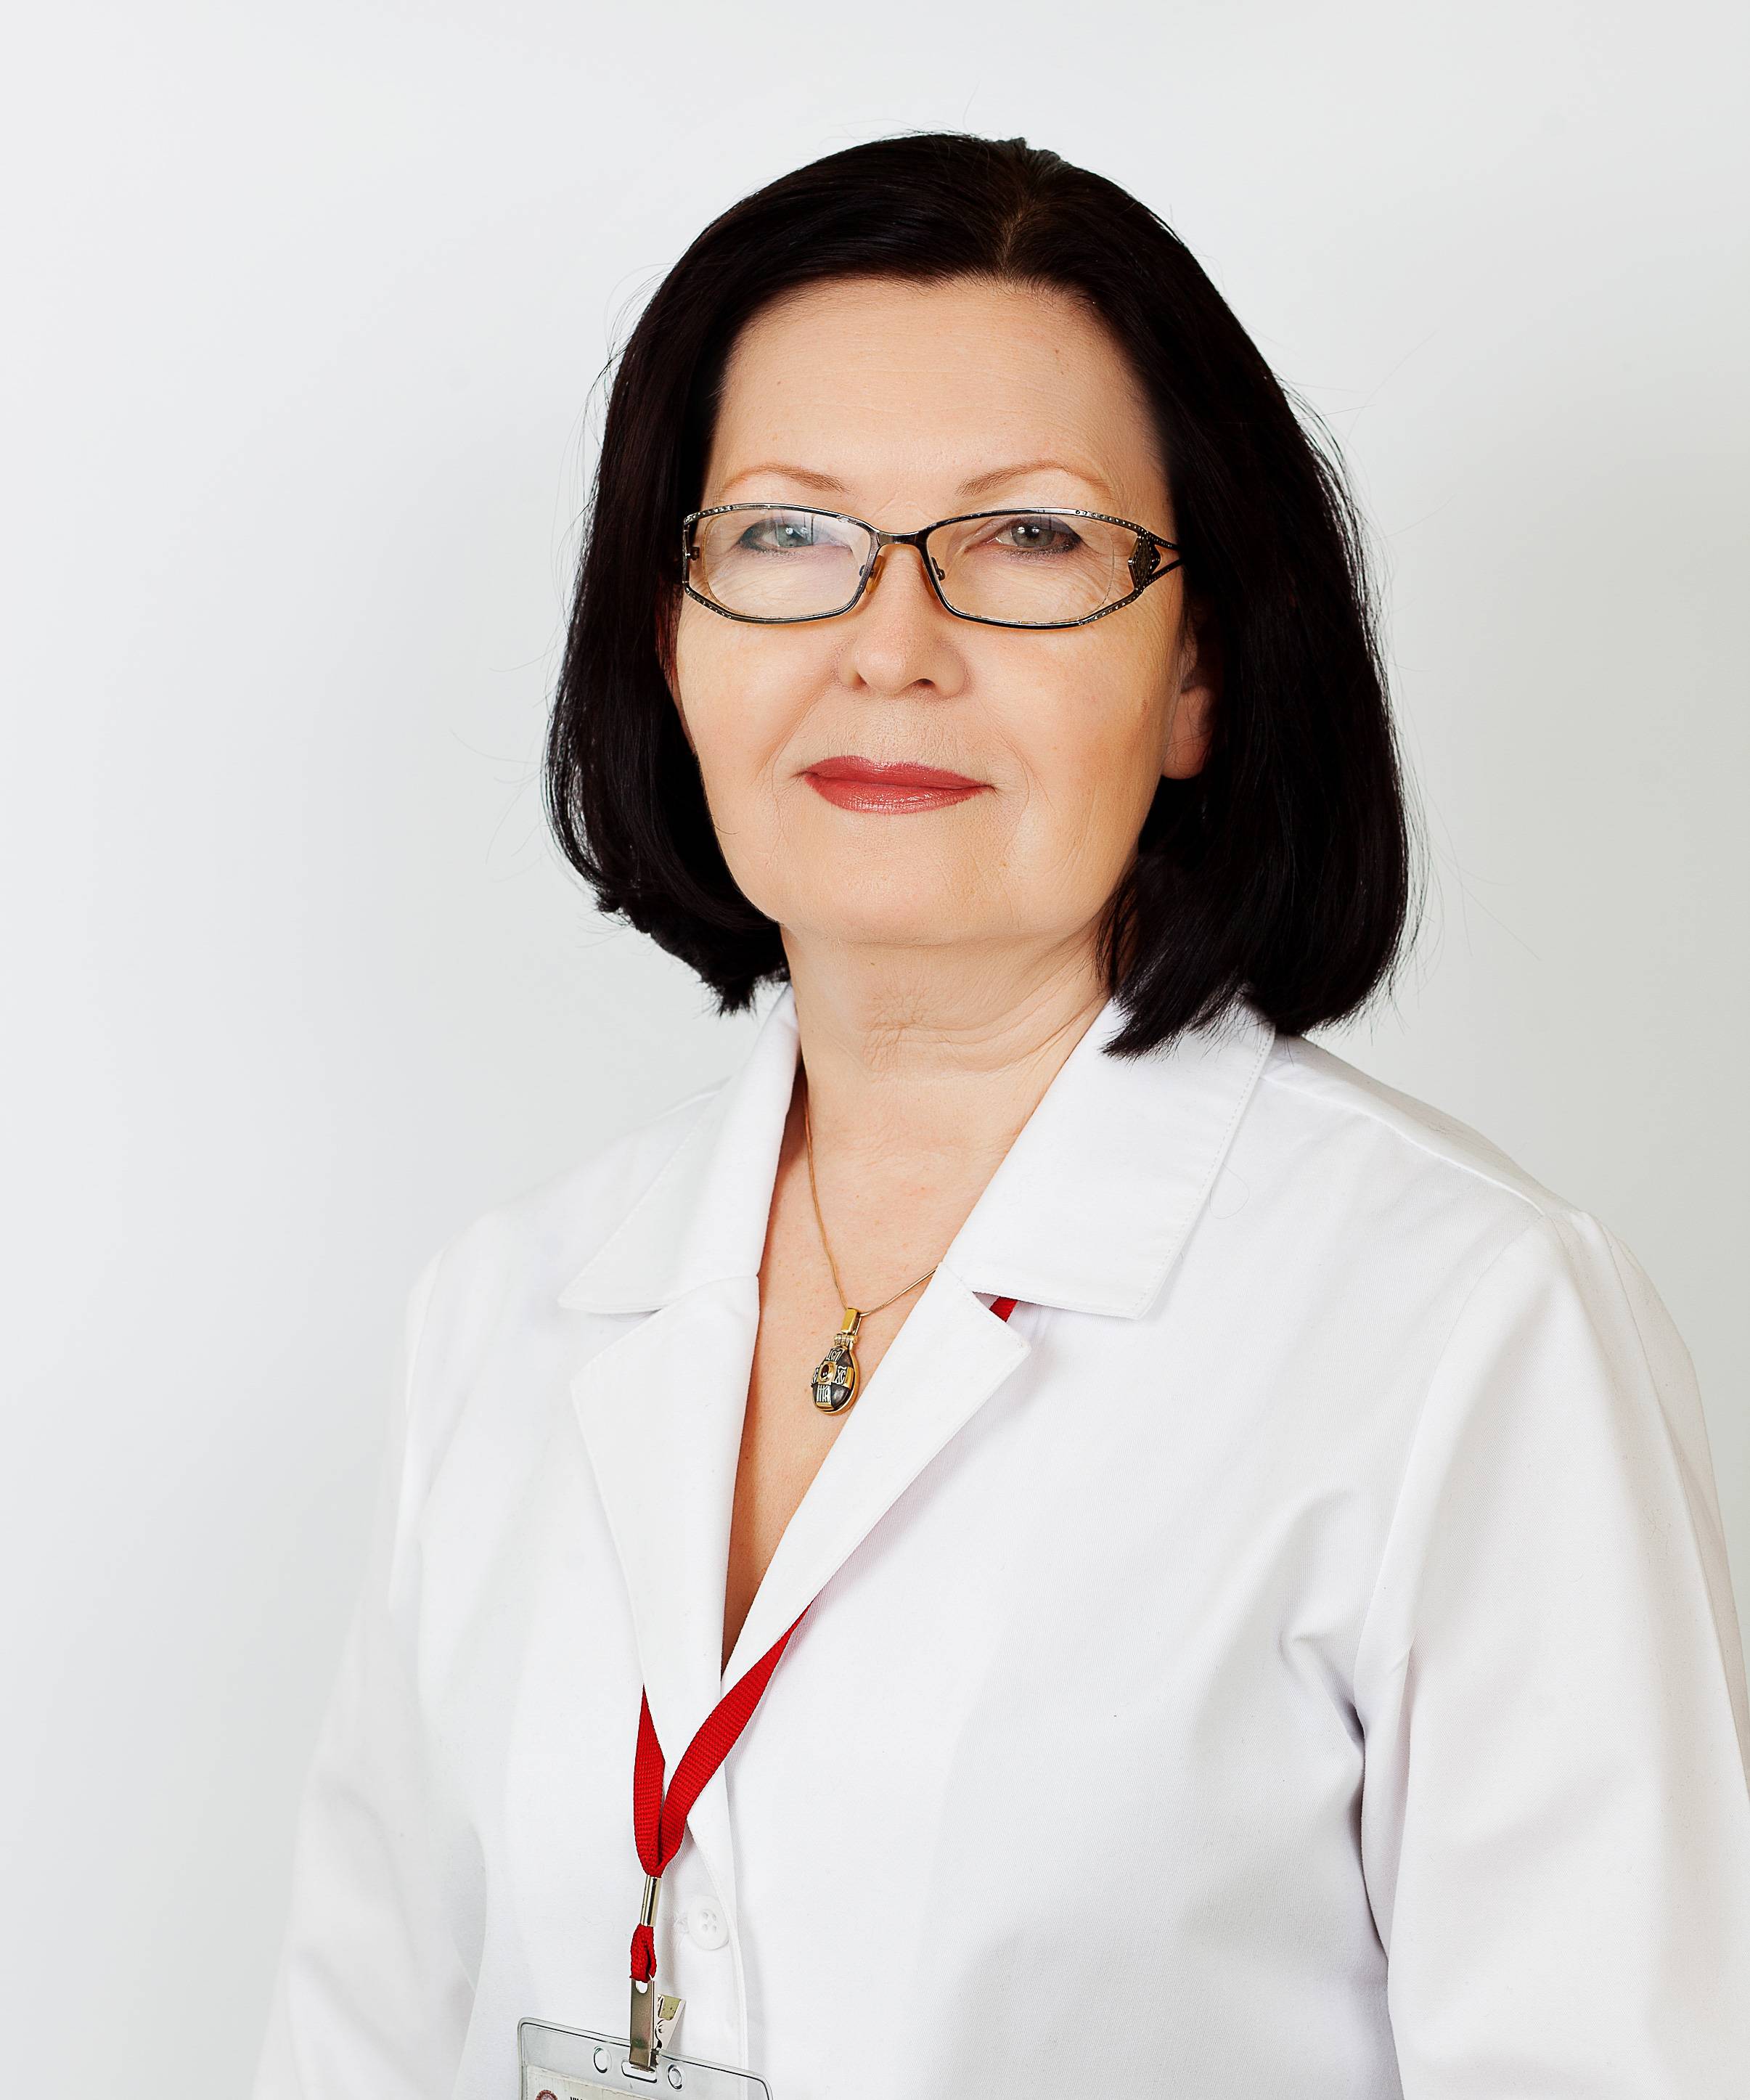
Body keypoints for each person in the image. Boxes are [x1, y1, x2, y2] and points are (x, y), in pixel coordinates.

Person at [251, 134, 1750, 2100]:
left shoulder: (1467, 1333)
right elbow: (356, 2047)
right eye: (787, 536)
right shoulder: (508, 1311)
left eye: (1030, 539)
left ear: (1198, 673)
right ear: (667, 635)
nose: (889, 647)